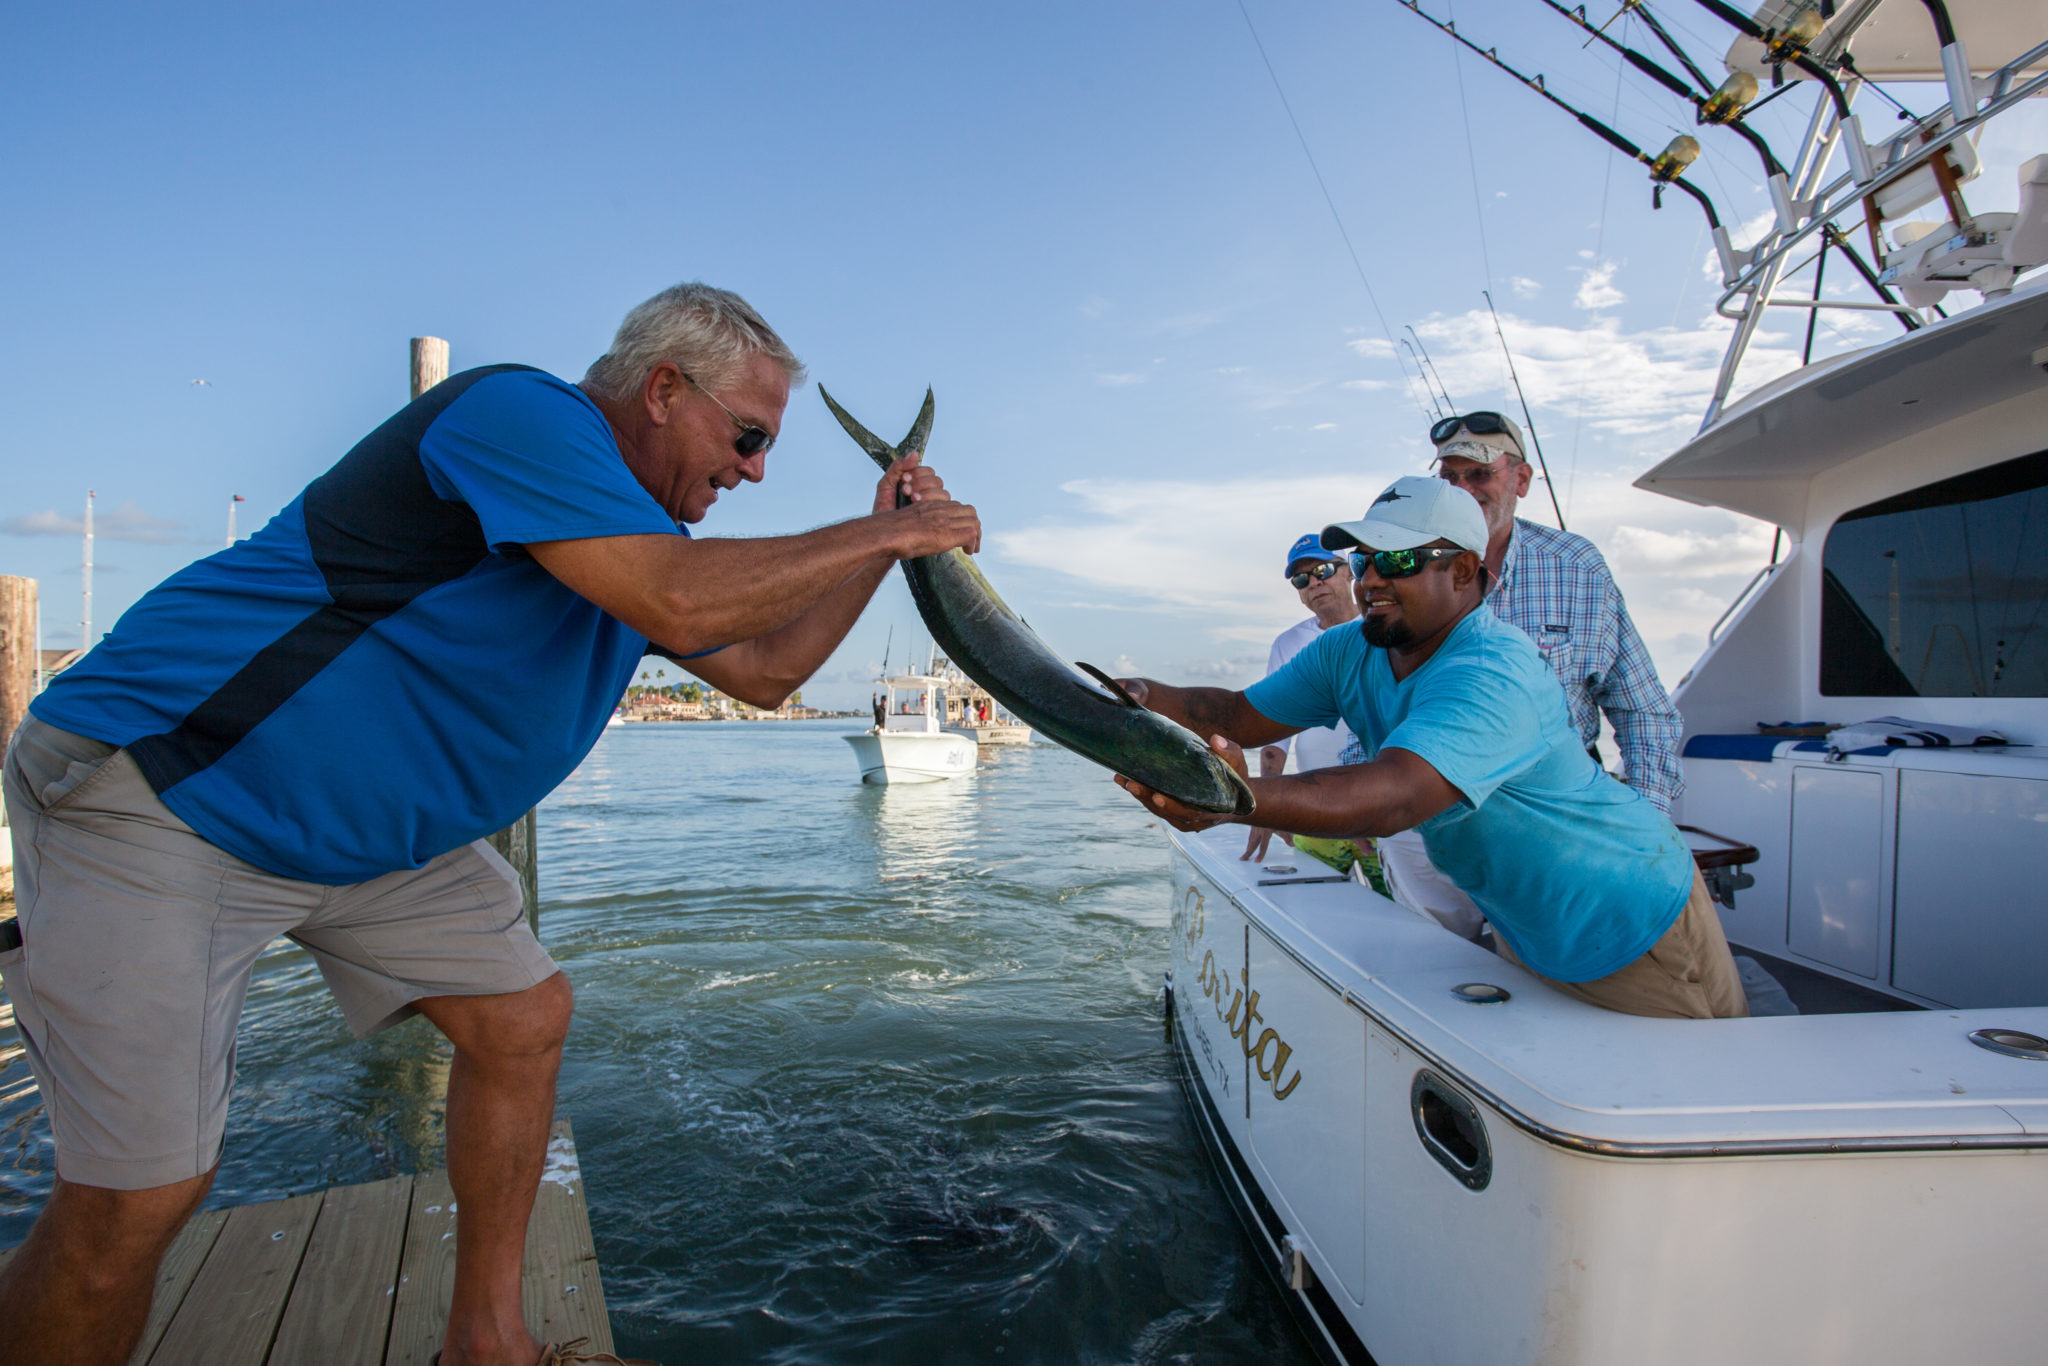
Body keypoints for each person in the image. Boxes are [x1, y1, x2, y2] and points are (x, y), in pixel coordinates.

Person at [0, 281, 982, 1366]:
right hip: (163, 790)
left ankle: (488, 1343)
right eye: (747, 436)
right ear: (662, 390)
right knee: (135, 1200)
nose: (753, 469)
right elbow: (685, 602)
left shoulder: (638, 540)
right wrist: (882, 528)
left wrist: (892, 542)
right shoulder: (522, 418)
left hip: (357, 838)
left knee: (521, 1020)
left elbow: (761, 668)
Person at [1112, 476, 1746, 1022]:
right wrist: (1136, 695)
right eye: (1364, 561)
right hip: (1525, 924)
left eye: (1400, 561)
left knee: (1698, 1118)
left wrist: (1229, 802)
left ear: (1465, 571)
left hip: (1634, 919)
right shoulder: (1351, 649)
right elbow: (1236, 715)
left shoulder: (1493, 671)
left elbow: (1396, 796)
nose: (1373, 579)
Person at [1370, 410, 1686, 940]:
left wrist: (1646, 824)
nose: (1463, 489)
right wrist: (1368, 814)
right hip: (1423, 820)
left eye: (1479, 475)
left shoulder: (1578, 567)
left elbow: (1643, 710)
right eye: (1449, 478)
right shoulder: (1397, 564)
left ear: (1521, 480)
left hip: (1554, 825)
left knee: (1561, 985)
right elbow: (1372, 687)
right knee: (1441, 980)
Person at [1241, 535, 1359, 872]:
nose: (1314, 583)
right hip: (1317, 801)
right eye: (1302, 579)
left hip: (1383, 796)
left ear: (1349, 571)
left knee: (1401, 904)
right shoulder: (1288, 643)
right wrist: (1264, 808)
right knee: (1320, 899)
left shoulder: (1380, 628)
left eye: (1322, 570)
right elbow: (1273, 734)